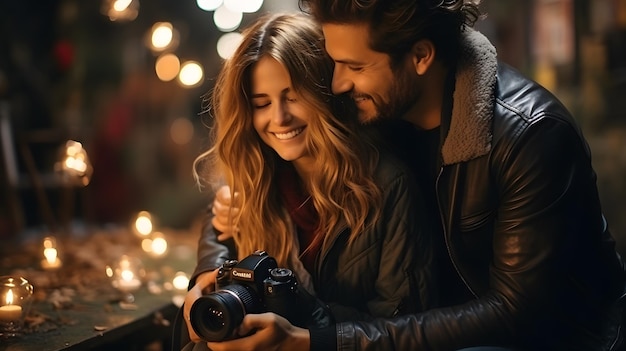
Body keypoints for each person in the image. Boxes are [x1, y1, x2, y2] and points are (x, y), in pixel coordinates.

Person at [206, 0, 626, 350]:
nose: (336, 84)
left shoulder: (531, 136)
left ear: (421, 56)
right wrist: (215, 245)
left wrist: (322, 341)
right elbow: (254, 181)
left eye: (353, 65)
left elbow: (516, 312)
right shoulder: (377, 109)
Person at [182, 12, 437, 350]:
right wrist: (205, 278)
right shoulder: (256, 175)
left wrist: (305, 322)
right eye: (262, 103)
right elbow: (218, 226)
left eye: (293, 97)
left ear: (324, 91)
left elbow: (403, 325)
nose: (279, 118)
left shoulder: (388, 184)